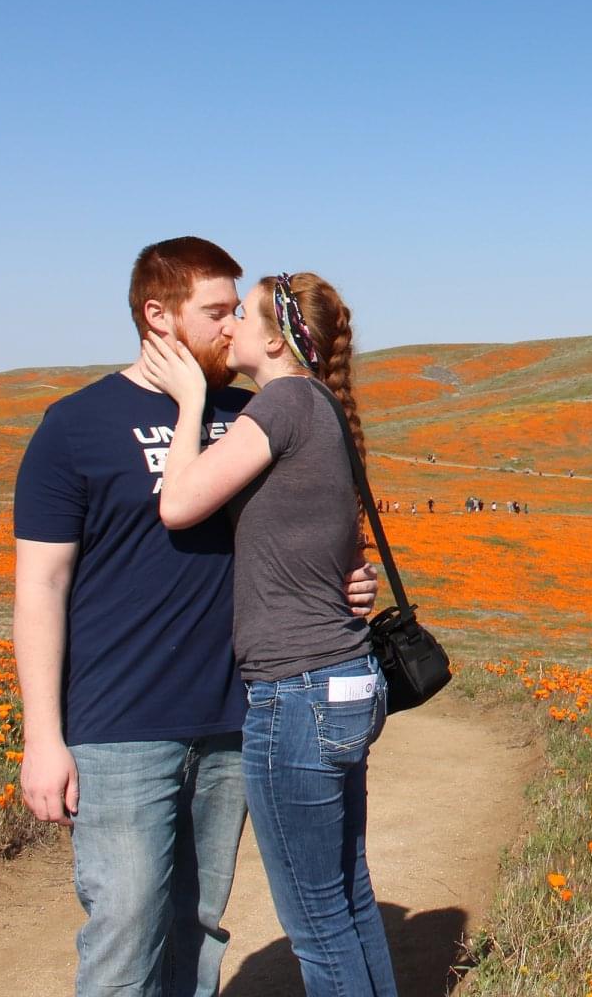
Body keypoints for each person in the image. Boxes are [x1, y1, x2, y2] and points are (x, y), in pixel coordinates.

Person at [13, 239, 377, 997]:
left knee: (201, 926)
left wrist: (350, 579)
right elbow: (41, 586)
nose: (225, 328)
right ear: (158, 316)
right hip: (118, 726)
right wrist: (42, 738)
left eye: (232, 312)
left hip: (234, 717)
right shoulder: (75, 426)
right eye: (213, 312)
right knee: (124, 925)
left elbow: (306, 521)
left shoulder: (254, 413)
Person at [142, 270, 395, 997]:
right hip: (346, 680)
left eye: (242, 316)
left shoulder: (282, 402)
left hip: (297, 693)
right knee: (348, 897)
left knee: (317, 923)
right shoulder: (324, 409)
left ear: (276, 337)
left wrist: (191, 399)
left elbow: (179, 503)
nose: (228, 329)